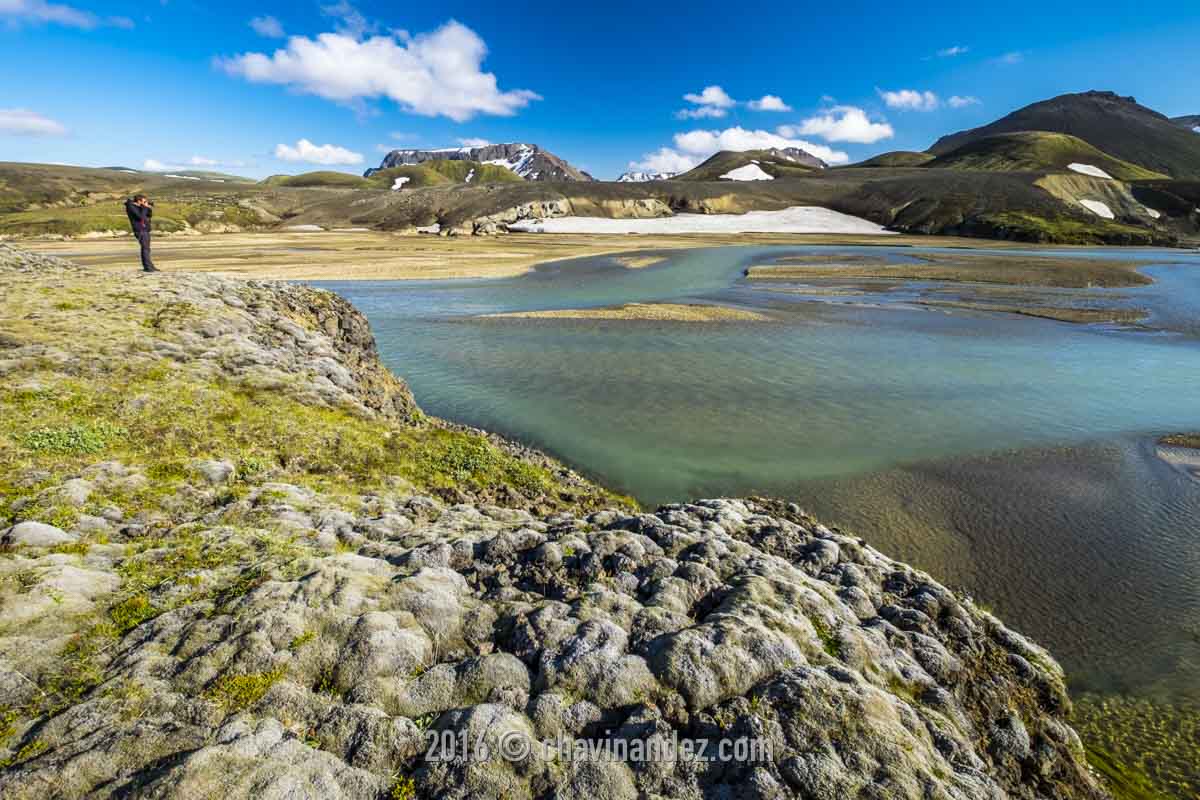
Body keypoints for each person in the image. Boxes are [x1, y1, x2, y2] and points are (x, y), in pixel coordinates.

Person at [124, 194, 159, 272]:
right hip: (140, 230)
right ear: (139, 201)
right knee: (145, 249)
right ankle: (147, 267)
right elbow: (140, 217)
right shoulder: (131, 207)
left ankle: (150, 266)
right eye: (144, 201)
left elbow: (149, 215)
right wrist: (144, 207)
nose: (146, 202)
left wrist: (148, 208)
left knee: (147, 249)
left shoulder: (140, 207)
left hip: (145, 230)